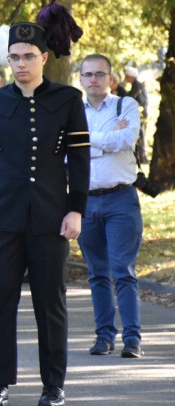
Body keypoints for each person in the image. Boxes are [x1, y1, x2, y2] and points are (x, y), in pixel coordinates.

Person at [0, 0, 90, 406]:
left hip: (51, 216)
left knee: (49, 300)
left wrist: (77, 209)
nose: (21, 64)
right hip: (2, 216)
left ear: (44, 58)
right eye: (14, 57)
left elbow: (80, 159)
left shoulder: (68, 100)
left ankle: (53, 385)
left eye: (28, 57)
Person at [77, 54, 144, 359]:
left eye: (100, 74)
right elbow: (65, 154)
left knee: (123, 270)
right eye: (88, 74)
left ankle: (132, 339)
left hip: (121, 198)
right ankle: (104, 337)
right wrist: (106, 139)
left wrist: (86, 142)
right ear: (80, 79)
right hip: (85, 201)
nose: (94, 79)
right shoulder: (73, 112)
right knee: (97, 272)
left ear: (110, 78)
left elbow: (126, 139)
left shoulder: (125, 105)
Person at [116, 66, 149, 165]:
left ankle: (141, 157)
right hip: (139, 115)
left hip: (140, 116)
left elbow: (134, 100)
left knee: (140, 136)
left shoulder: (137, 87)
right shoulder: (136, 86)